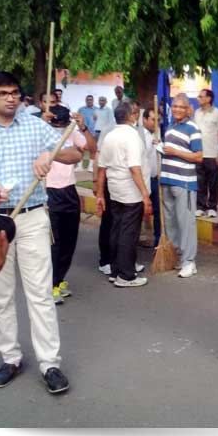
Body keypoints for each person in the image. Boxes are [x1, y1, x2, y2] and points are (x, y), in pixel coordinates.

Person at [0, 71, 82, 394]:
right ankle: (11, 357)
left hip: (32, 218)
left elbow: (75, 153)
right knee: (1, 295)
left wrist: (52, 154)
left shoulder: (34, 125)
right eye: (3, 93)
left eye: (14, 92)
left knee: (40, 294)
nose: (10, 98)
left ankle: (50, 363)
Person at [96, 103, 152, 288]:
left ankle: (116, 270)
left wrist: (100, 194)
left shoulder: (110, 136)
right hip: (130, 191)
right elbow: (134, 168)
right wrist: (145, 195)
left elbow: (101, 168)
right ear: (131, 116)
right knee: (128, 233)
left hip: (114, 188)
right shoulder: (131, 136)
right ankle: (126, 275)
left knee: (117, 230)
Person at [46, 107, 96, 304]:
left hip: (69, 191)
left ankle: (59, 279)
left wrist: (83, 128)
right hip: (49, 192)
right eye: (55, 123)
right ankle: (51, 285)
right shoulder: (41, 132)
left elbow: (92, 148)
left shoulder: (71, 133)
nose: (58, 126)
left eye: (62, 123)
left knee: (69, 239)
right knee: (55, 242)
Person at [161, 93, 203, 278]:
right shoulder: (170, 126)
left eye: (181, 107)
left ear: (188, 109)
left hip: (183, 181)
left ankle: (189, 261)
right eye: (175, 106)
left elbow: (198, 156)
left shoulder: (193, 128)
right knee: (171, 222)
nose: (177, 109)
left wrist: (175, 151)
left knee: (186, 222)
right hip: (167, 179)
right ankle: (178, 256)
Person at [194, 88, 218, 218]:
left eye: (201, 96)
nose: (198, 98)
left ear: (208, 99)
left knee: (213, 182)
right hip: (199, 152)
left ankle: (212, 206)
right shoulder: (197, 113)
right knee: (200, 181)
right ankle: (200, 206)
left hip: (212, 153)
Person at [142, 107, 161, 247]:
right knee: (139, 212)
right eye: (153, 120)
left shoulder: (156, 135)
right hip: (143, 181)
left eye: (158, 120)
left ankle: (158, 242)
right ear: (144, 120)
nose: (156, 123)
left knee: (158, 213)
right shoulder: (139, 136)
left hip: (155, 179)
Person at [77, 95, 97, 172]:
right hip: (82, 132)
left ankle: (91, 166)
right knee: (80, 148)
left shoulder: (97, 110)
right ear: (86, 100)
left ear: (93, 100)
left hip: (93, 132)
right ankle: (80, 166)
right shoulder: (81, 109)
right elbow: (77, 120)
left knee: (92, 149)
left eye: (90, 99)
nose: (89, 101)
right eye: (88, 100)